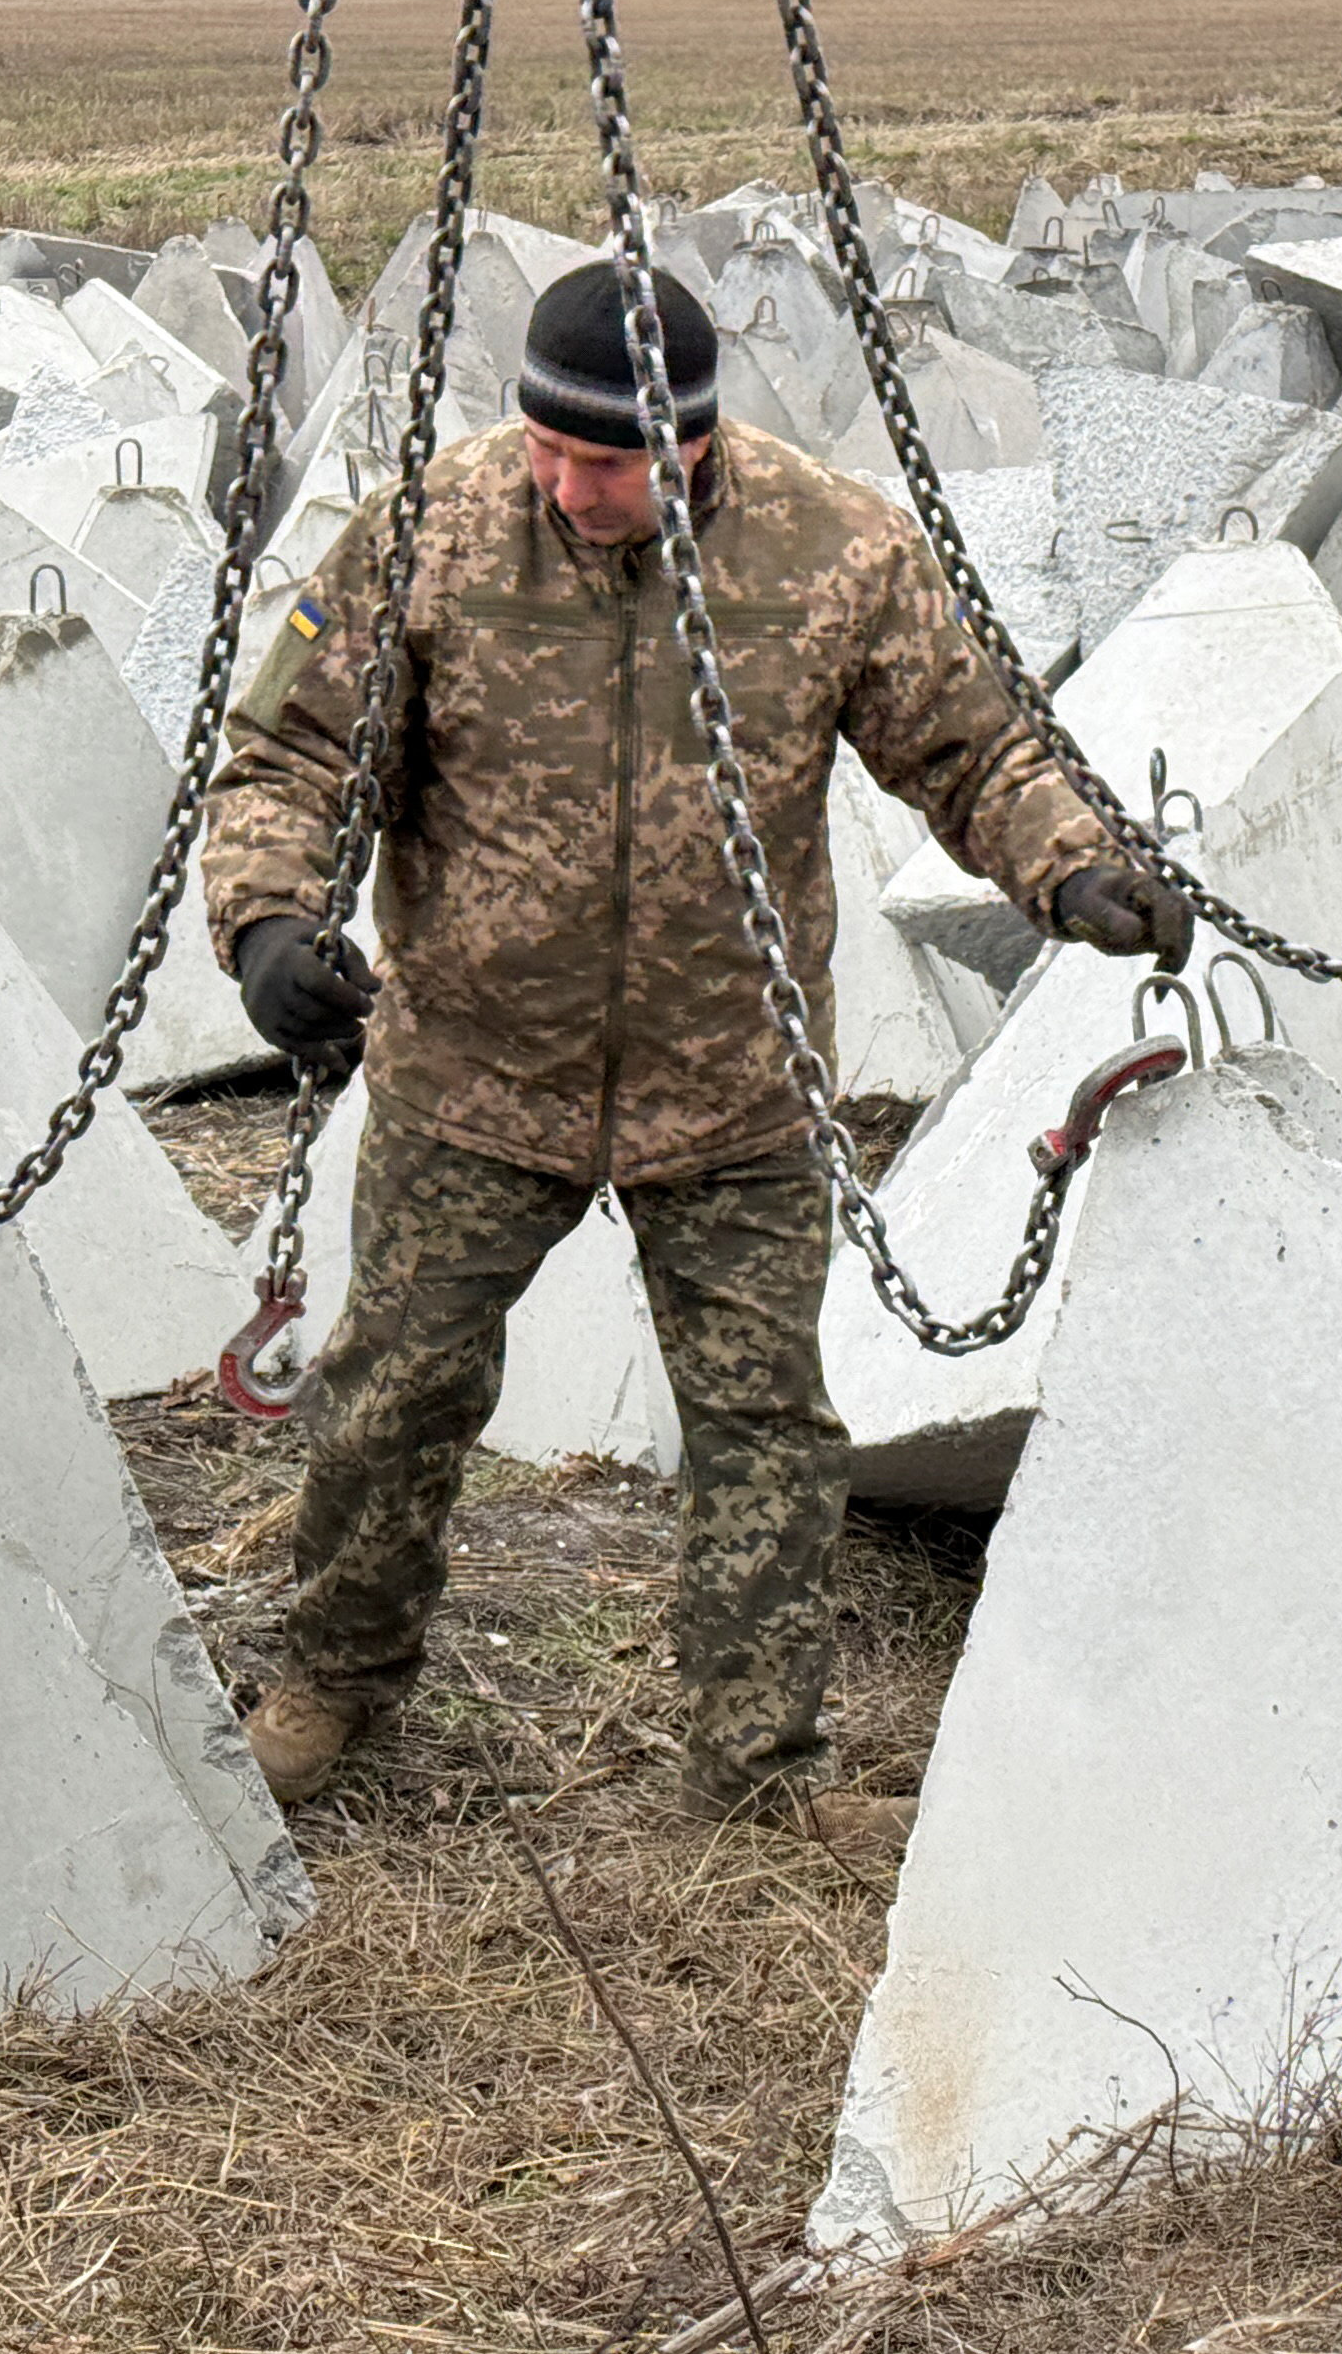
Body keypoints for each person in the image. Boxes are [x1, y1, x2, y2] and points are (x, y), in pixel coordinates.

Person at [204, 259, 1189, 1844]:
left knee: (764, 1431)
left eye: (603, 461)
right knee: (391, 1393)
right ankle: (333, 1680)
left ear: (690, 447)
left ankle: (755, 1765)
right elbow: (294, 748)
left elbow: (976, 740)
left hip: (731, 1082)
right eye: (544, 447)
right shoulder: (434, 532)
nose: (563, 484)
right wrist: (263, 924)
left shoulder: (832, 549)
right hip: (473, 1068)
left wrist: (1068, 865)